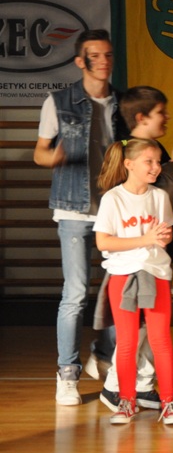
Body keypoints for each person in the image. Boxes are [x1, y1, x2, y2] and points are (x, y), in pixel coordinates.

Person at [34, 29, 130, 406]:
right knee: (75, 294)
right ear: (80, 61)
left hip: (113, 208)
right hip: (73, 208)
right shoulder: (59, 101)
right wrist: (54, 157)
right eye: (95, 55)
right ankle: (67, 372)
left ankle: (102, 355)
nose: (104, 61)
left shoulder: (121, 102)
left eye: (108, 54)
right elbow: (39, 152)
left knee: (121, 291)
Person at [95, 86, 173, 412]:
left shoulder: (158, 196)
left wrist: (160, 238)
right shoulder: (114, 198)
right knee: (128, 340)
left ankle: (160, 396)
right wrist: (146, 239)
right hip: (124, 273)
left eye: (159, 162)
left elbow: (164, 231)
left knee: (158, 338)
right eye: (149, 162)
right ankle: (122, 397)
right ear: (130, 164)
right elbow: (104, 241)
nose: (156, 167)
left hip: (155, 271)